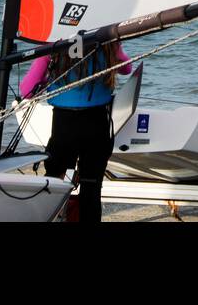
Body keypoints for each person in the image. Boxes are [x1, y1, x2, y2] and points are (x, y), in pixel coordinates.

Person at [20, 39, 132, 223]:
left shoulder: (54, 47)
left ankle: (52, 216)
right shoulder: (107, 42)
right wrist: (113, 47)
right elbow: (127, 68)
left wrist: (46, 70)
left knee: (54, 180)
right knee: (92, 186)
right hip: (97, 125)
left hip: (65, 127)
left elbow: (26, 91)